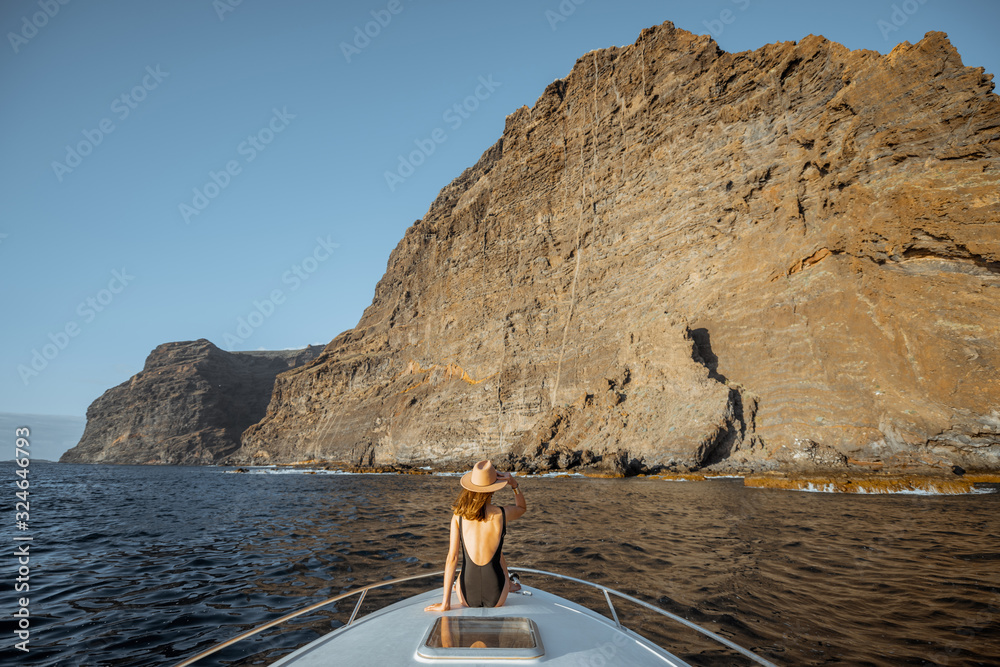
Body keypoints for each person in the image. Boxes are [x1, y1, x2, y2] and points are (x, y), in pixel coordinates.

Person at [424, 460, 527, 611]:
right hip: (497, 597)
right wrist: (514, 484)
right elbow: (522, 507)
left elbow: (452, 558)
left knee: (466, 570)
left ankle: (457, 586)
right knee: (496, 548)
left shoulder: (458, 516)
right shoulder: (502, 513)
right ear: (493, 489)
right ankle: (509, 584)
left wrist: (445, 603)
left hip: (466, 598)